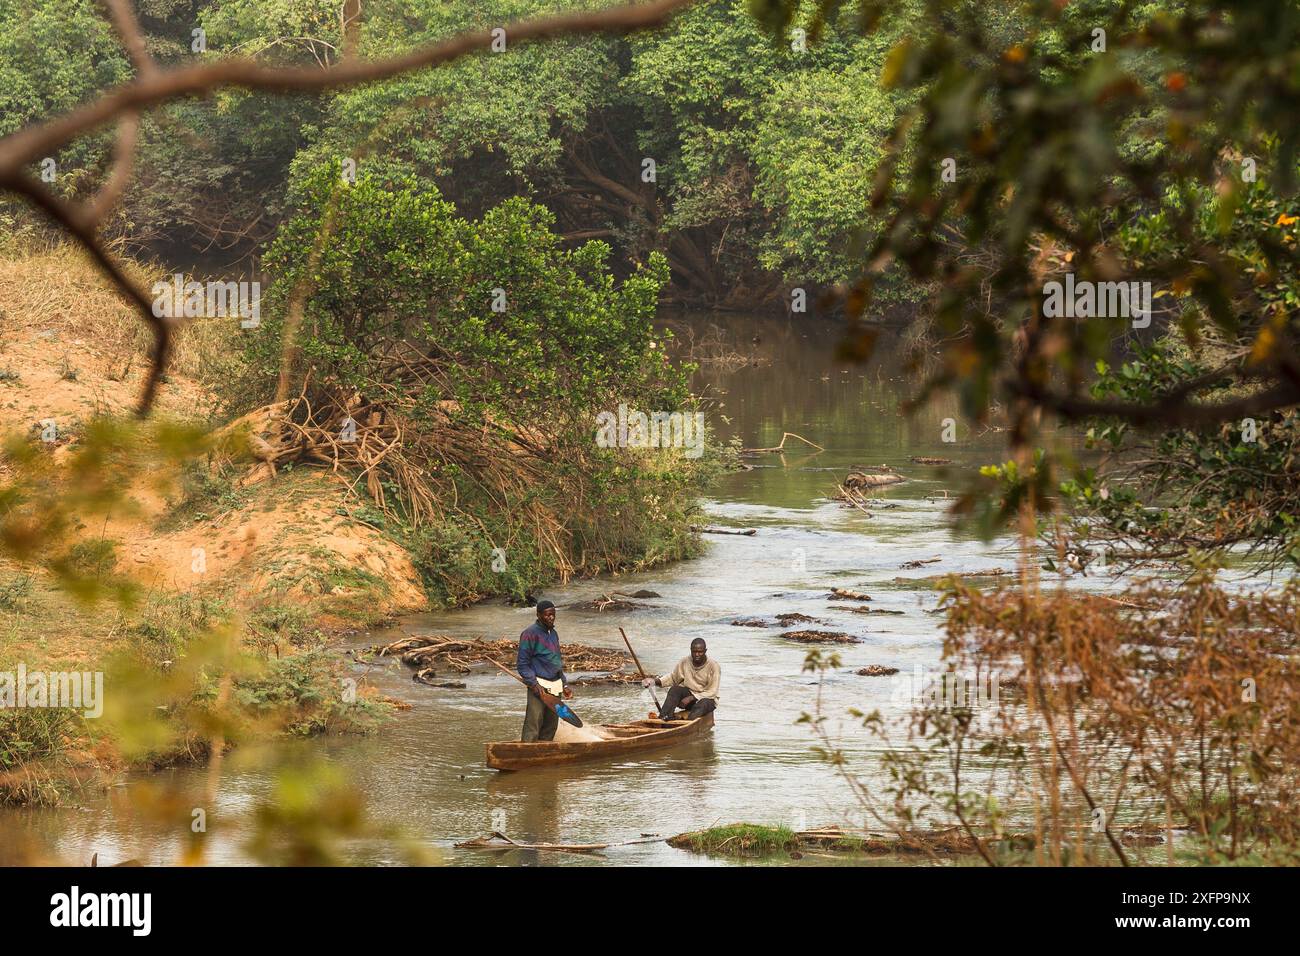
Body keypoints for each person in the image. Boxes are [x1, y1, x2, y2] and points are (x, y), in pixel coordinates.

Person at [517, 600, 572, 742]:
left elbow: (556, 661)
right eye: (547, 615)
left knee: (551, 725)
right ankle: (526, 753)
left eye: (553, 615)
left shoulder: (553, 634)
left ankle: (543, 754)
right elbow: (523, 664)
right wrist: (534, 684)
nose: (551, 618)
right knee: (533, 723)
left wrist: (564, 684)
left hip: (556, 686)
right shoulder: (529, 634)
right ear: (539, 615)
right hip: (539, 687)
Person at [642, 638, 719, 721]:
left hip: (707, 700)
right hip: (689, 700)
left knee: (703, 703)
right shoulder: (685, 662)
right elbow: (673, 678)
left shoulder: (713, 666)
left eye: (700, 652)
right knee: (675, 690)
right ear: (691, 650)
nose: (697, 654)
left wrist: (692, 698)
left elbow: (712, 692)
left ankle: (688, 723)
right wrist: (654, 681)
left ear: (705, 651)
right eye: (694, 652)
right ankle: (665, 718)